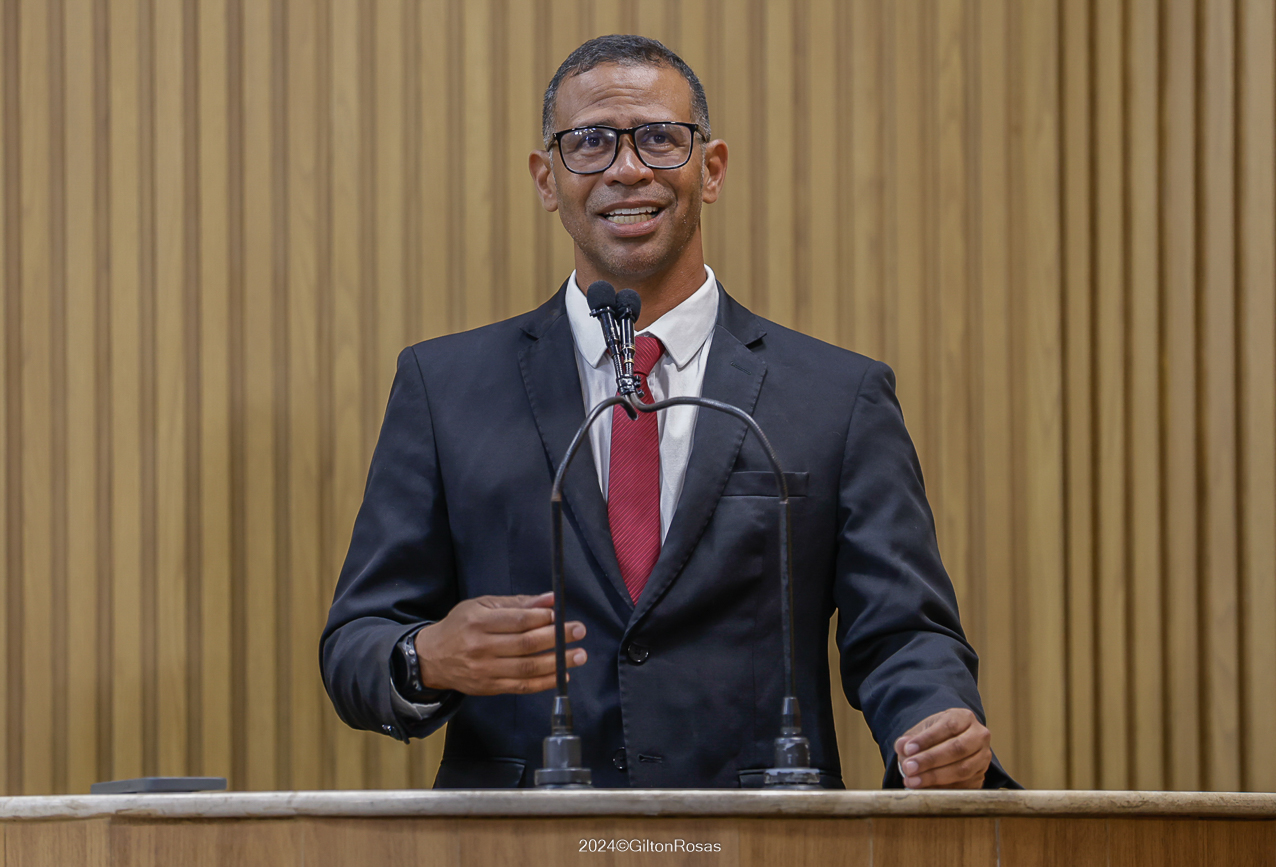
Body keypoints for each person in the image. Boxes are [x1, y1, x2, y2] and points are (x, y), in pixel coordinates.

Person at [320, 34, 1016, 790]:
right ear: (548, 179)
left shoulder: (839, 397)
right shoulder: (444, 387)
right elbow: (358, 640)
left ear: (710, 169)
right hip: (521, 833)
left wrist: (932, 723)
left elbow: (905, 633)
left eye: (659, 137)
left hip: (762, 833)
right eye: (590, 142)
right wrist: (425, 657)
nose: (627, 168)